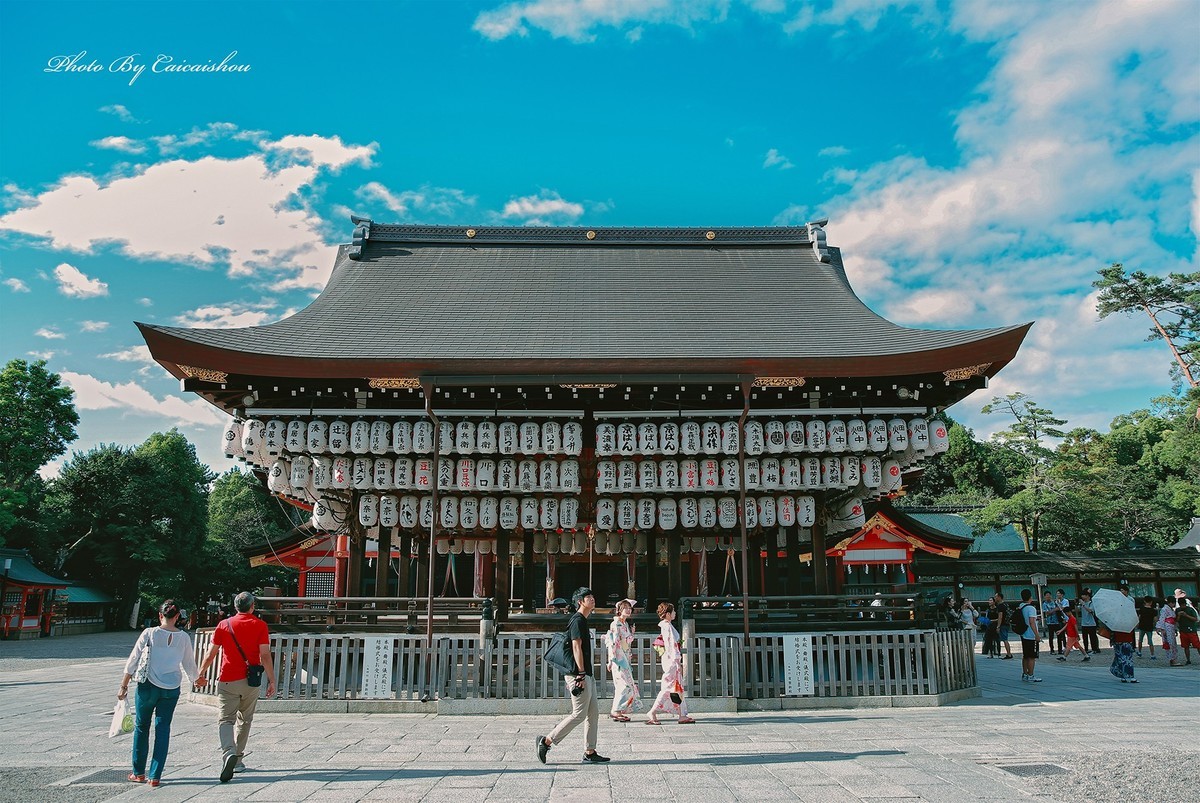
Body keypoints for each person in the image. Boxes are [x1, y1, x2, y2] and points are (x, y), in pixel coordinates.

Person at [118, 600, 203, 788]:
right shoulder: (183, 637)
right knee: (163, 728)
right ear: (178, 616)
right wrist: (196, 679)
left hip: (148, 685)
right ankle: (155, 775)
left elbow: (134, 658)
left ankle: (138, 772)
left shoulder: (149, 633)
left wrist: (124, 685)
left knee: (142, 727)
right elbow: (189, 663)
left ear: (160, 615)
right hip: (171, 687)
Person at [196, 591, 277, 782]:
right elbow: (265, 655)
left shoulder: (224, 625)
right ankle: (238, 759)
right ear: (252, 607)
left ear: (235, 607)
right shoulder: (260, 625)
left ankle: (228, 752)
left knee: (226, 720)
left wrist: (201, 673)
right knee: (245, 720)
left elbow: (211, 653)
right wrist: (272, 679)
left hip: (228, 678)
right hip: (250, 681)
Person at [537, 587, 609, 764]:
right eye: (588, 597)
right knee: (579, 714)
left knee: (593, 713)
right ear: (580, 602)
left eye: (592, 596)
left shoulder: (583, 620)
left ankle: (590, 751)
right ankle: (546, 741)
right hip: (578, 674)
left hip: (585, 673)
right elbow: (576, 647)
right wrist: (581, 674)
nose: (592, 599)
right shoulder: (577, 620)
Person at [646, 602, 695, 725]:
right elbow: (671, 645)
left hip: (670, 659)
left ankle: (682, 714)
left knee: (676, 687)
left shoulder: (667, 625)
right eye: (673, 612)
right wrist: (677, 660)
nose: (675, 613)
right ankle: (652, 711)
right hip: (672, 660)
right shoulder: (667, 626)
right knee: (669, 687)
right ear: (668, 614)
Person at [604, 598, 641, 721]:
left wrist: (632, 634)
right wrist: (611, 659)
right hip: (618, 658)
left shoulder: (625, 624)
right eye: (625, 608)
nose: (628, 610)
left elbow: (626, 641)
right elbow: (613, 642)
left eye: (629, 608)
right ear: (619, 610)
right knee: (623, 684)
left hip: (625, 656)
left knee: (625, 684)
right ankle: (616, 710)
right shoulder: (615, 624)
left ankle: (617, 710)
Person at [1017, 589, 1042, 682]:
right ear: (1030, 597)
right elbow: (1031, 622)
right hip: (1030, 634)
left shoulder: (1021, 606)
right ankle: (1031, 675)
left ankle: (1025, 674)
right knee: (1032, 656)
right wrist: (1037, 634)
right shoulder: (1031, 608)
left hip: (1023, 633)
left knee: (1025, 655)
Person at [1156, 596, 1182, 666]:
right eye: (1173, 603)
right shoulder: (1165, 609)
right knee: (1170, 643)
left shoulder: (1170, 609)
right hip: (1167, 626)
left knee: (1172, 643)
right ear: (1170, 602)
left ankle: (1173, 659)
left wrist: (1175, 629)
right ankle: (1172, 659)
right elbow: (1162, 619)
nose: (1174, 604)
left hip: (1171, 626)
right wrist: (1162, 628)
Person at [1175, 597, 1198, 665]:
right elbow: (1176, 620)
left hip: (1192, 630)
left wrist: (1186, 615)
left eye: (1184, 605)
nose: (1183, 606)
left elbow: (1195, 619)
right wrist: (1179, 616)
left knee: (1197, 645)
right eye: (1181, 605)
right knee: (1186, 646)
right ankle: (1188, 660)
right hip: (1183, 630)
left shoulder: (1190, 609)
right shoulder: (1177, 610)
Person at [1042, 591, 1064, 655]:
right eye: (1047, 595)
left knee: (1059, 636)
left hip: (1057, 621)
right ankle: (1052, 650)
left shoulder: (1055, 602)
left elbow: (1060, 608)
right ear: (1044, 597)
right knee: (1051, 636)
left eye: (1049, 595)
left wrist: (1056, 609)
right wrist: (1054, 609)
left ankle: (1060, 650)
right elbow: (1047, 613)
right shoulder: (1044, 604)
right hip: (1050, 622)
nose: (1048, 596)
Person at [994, 593, 1014, 660]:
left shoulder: (1000, 606)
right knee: (1005, 639)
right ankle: (1008, 653)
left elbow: (1000, 616)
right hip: (1007, 623)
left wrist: (998, 626)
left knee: (1005, 639)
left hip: (1003, 624)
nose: (995, 598)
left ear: (999, 597)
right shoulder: (1006, 604)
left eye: (996, 597)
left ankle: (1009, 654)